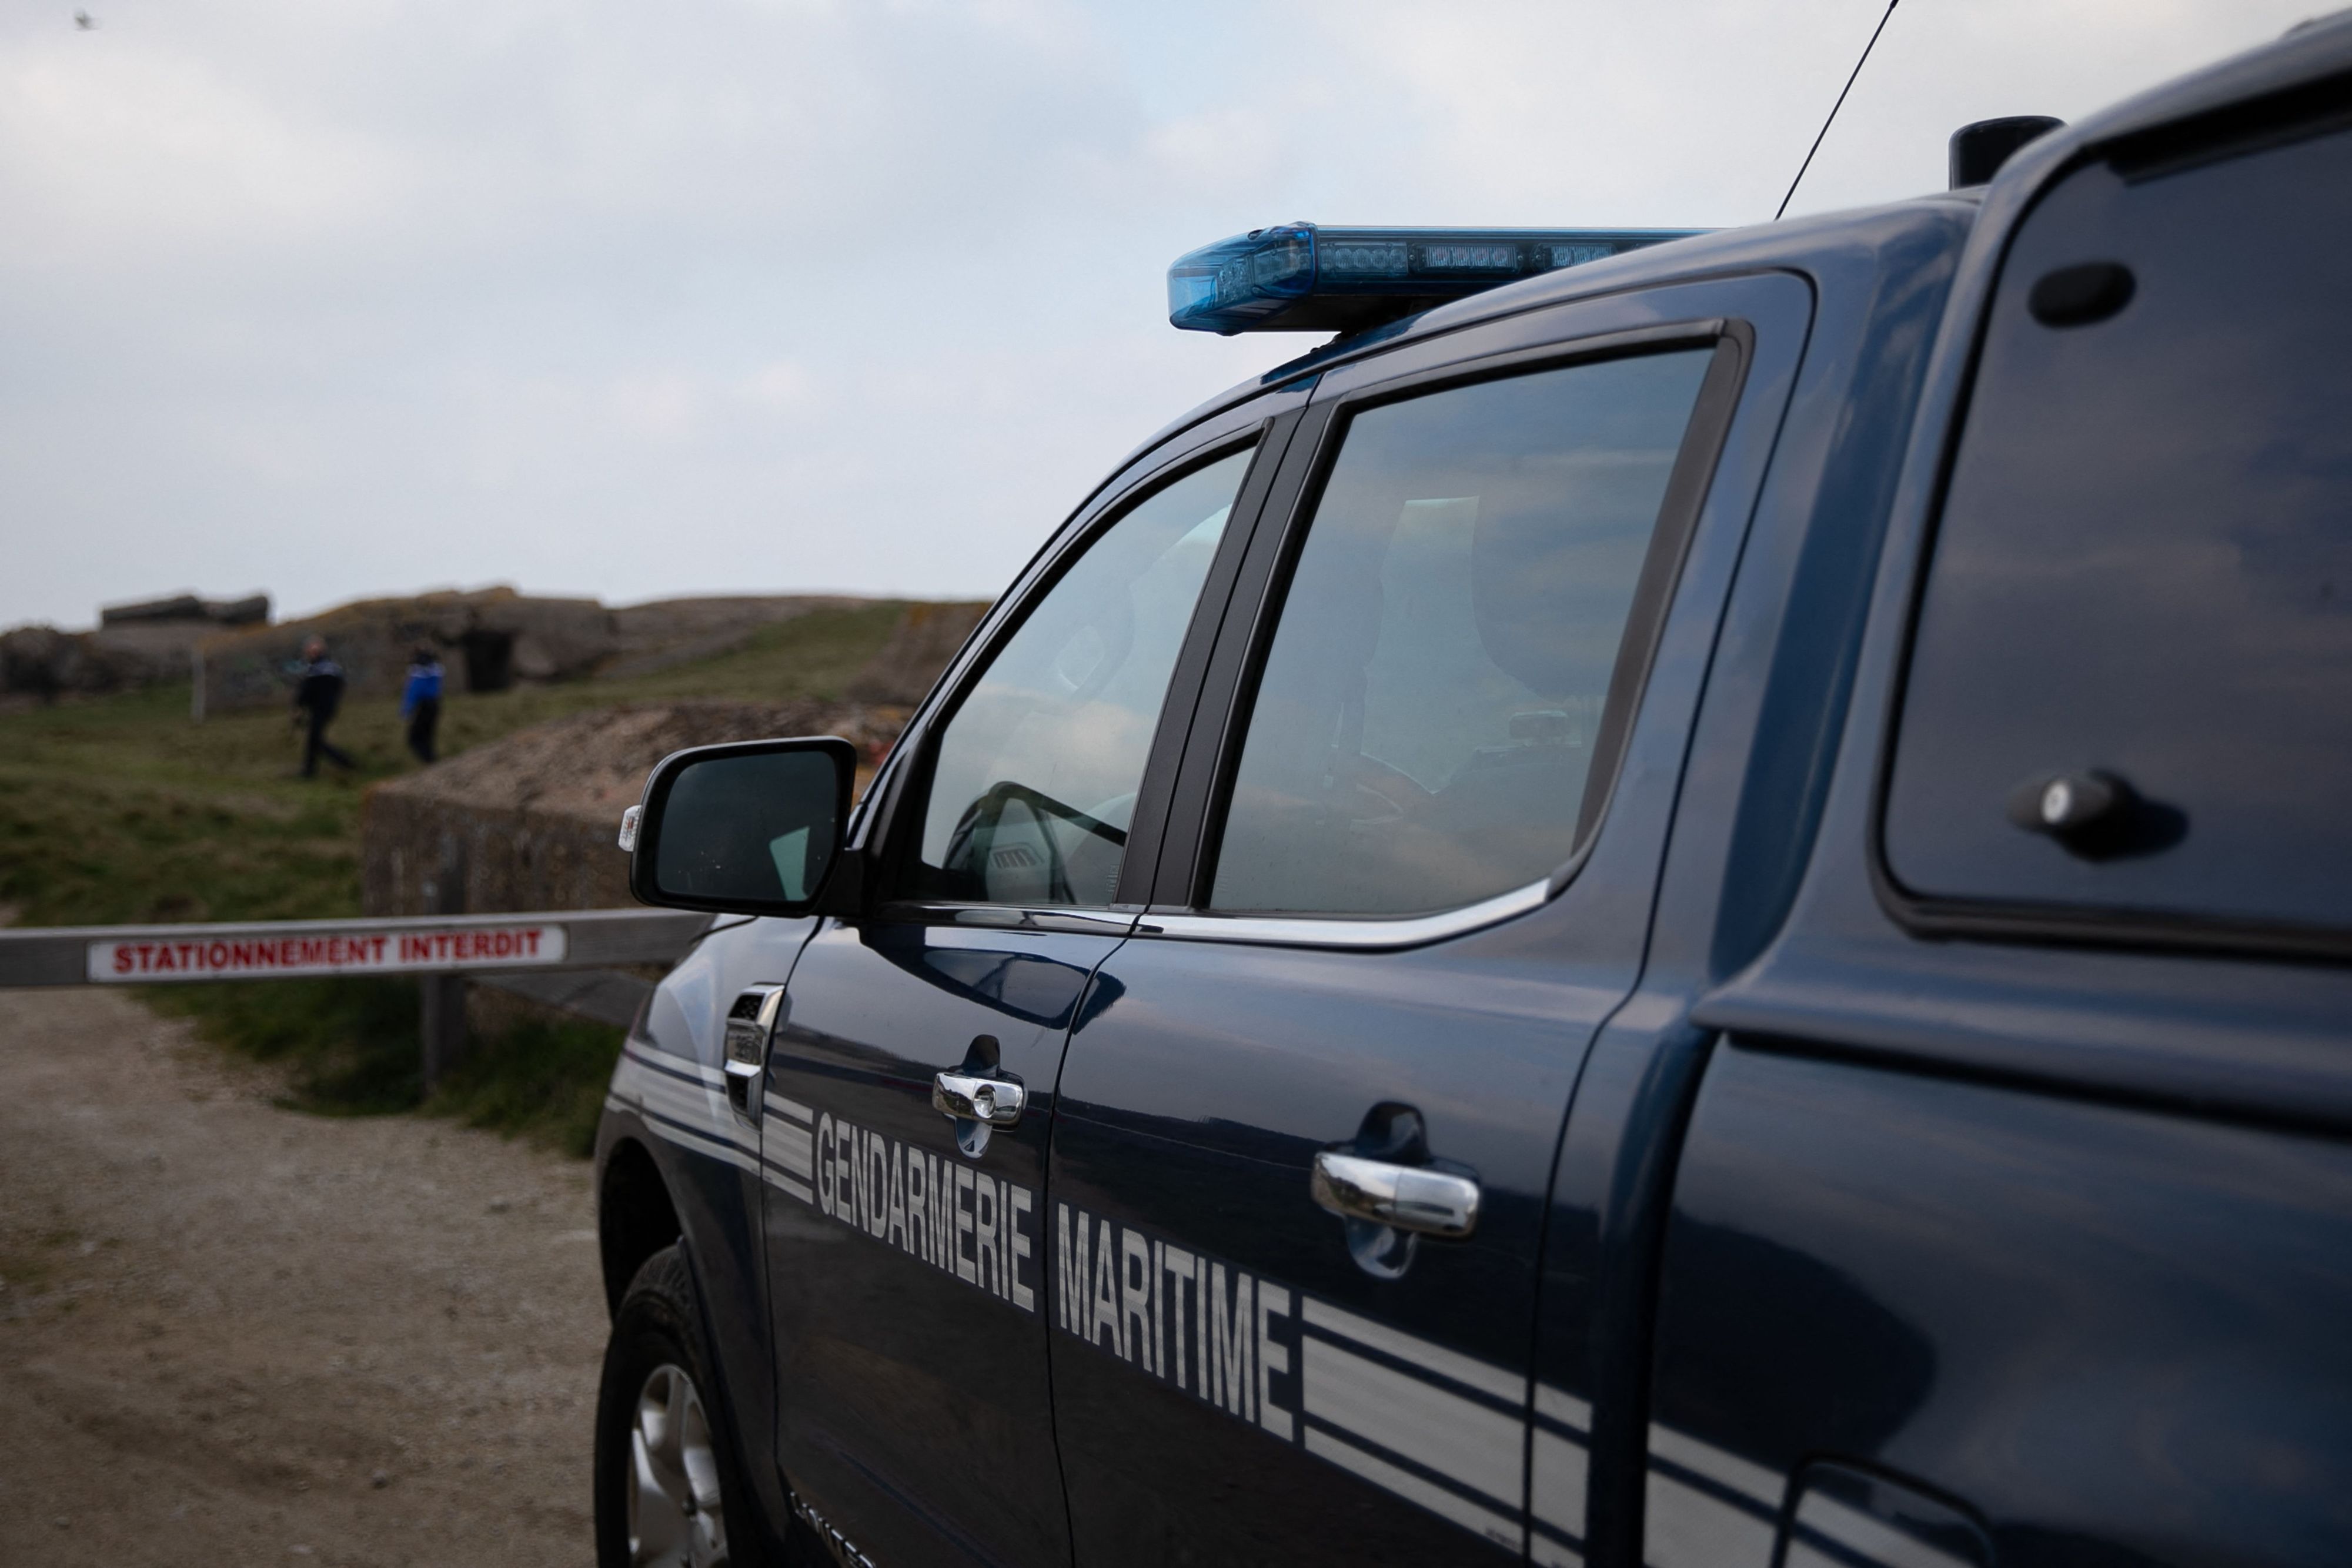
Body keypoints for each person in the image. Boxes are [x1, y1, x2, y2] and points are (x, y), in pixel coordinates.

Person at [291, 637, 353, 777]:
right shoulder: (333, 668)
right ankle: (310, 771)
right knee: (314, 740)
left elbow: (307, 691)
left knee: (315, 740)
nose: (309, 654)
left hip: (320, 709)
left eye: (312, 652)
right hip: (328, 708)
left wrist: (299, 707)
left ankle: (345, 762)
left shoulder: (316, 670)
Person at [400, 644, 444, 764]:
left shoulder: (418, 673)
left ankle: (430, 762)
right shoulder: (436, 671)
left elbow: (414, 691)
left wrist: (406, 709)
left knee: (414, 738)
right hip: (435, 705)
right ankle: (433, 761)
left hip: (423, 706)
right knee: (428, 736)